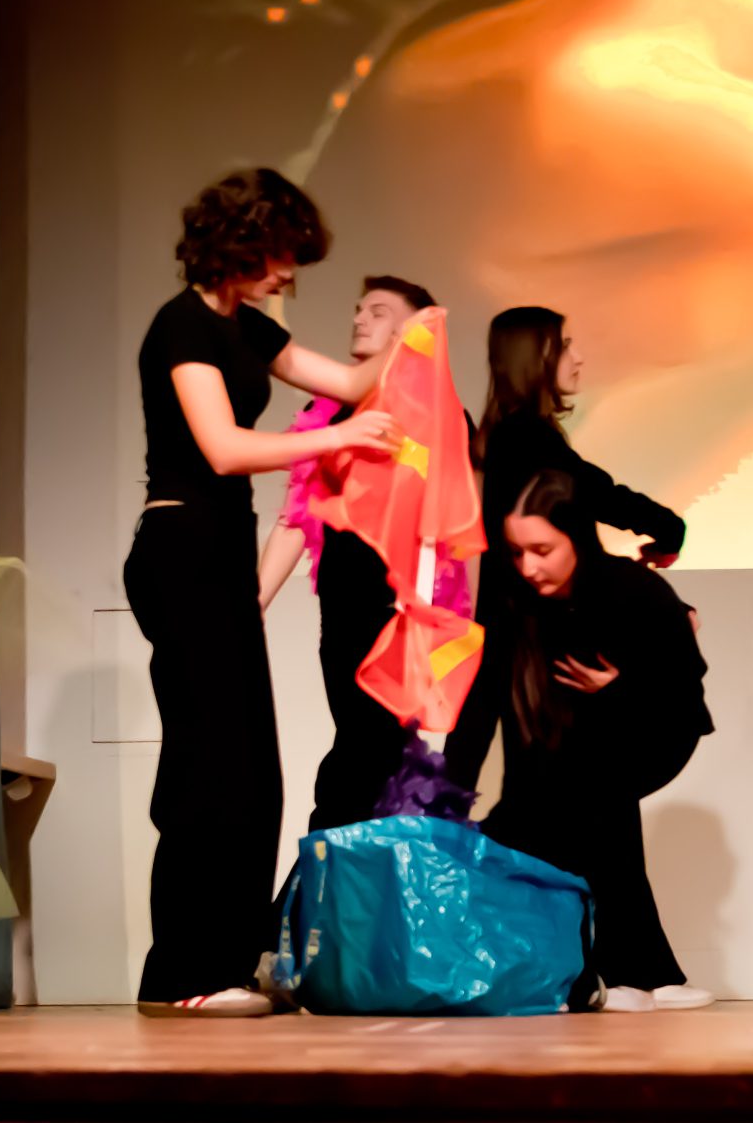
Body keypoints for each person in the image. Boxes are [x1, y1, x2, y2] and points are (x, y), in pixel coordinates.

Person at [126, 170, 400, 1018]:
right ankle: (183, 975)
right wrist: (338, 440)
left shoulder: (249, 327)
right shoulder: (181, 326)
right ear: (242, 243)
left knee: (252, 773)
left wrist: (420, 332)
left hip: (219, 553)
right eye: (282, 255)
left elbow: (350, 383)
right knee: (208, 764)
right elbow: (223, 447)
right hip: (180, 547)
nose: (289, 275)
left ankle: (226, 962)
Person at [445, 468, 714, 1012]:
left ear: (577, 540)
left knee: (592, 795)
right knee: (524, 819)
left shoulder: (634, 590)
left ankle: (627, 973)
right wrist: (448, 797)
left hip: (656, 727)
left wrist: (622, 686)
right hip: (569, 744)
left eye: (543, 550)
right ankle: (632, 973)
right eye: (517, 552)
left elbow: (685, 688)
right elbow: (483, 703)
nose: (529, 566)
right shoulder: (515, 602)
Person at [256, 274, 442, 833]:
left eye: (379, 311)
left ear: (413, 329)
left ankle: (325, 869)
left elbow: (453, 526)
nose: (360, 319)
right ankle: (336, 869)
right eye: (359, 309)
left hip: (398, 616)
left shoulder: (434, 413)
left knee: (370, 757)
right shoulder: (330, 415)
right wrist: (254, 601)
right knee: (364, 752)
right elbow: (296, 516)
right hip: (341, 618)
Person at [476, 307, 683, 566]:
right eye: (564, 347)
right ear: (535, 358)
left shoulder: (511, 432)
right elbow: (597, 494)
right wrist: (670, 528)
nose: (578, 358)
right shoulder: (525, 435)